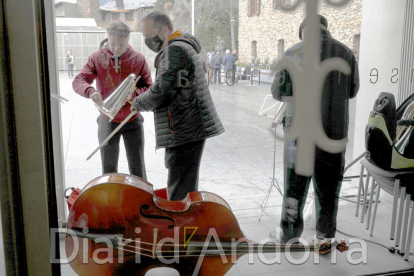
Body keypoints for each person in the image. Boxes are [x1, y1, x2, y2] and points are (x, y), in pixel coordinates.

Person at [270, 15, 360, 243]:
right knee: (329, 191)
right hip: (333, 134)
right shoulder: (346, 53)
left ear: (303, 32)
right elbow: (352, 91)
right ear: (325, 29)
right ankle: (325, 238)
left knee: (294, 190)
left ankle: (290, 237)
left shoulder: (291, 53)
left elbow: (278, 93)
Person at [132, 11, 224, 201]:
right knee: (185, 183)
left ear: (164, 30)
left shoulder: (174, 50)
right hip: (190, 125)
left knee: (180, 188)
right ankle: (184, 225)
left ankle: (179, 228)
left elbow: (162, 90)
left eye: (149, 36)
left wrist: (137, 102)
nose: (148, 41)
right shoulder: (183, 47)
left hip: (184, 127)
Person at [73, 21, 152, 179]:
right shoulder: (96, 58)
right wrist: (90, 91)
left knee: (137, 168)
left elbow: (150, 88)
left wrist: (134, 95)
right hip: (106, 120)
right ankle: (111, 202)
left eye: (121, 45)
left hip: (132, 119)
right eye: (112, 43)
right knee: (108, 169)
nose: (116, 49)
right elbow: (78, 80)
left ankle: (141, 201)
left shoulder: (138, 59)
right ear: (107, 39)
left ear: (128, 41)